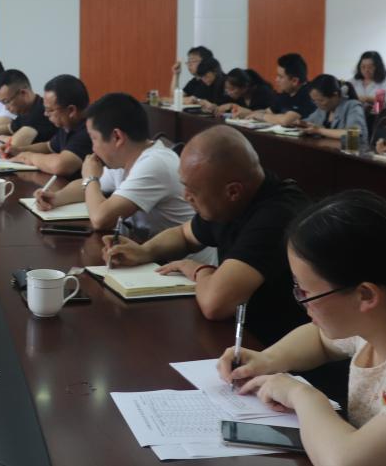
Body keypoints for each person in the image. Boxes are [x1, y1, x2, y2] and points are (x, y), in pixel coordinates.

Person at [217, 191, 386, 466]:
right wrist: (267, 359)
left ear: (366, 295)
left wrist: (301, 395)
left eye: (305, 292)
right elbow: (319, 338)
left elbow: (344, 462)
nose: (301, 301)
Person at [100, 125, 309, 344]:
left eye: (192, 190)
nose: (185, 196)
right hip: (239, 333)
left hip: (275, 347)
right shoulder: (233, 198)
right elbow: (184, 234)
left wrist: (200, 270)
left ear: (233, 191)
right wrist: (144, 251)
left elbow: (215, 304)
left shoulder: (277, 217)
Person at [34, 94, 215, 264]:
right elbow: (86, 188)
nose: (93, 148)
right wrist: (57, 198)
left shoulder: (155, 163)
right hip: (150, 258)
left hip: (186, 271)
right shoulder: (125, 160)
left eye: (94, 139)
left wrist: (90, 177)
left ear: (117, 137)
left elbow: (100, 219)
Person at [5, 74, 92, 178]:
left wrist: (29, 157)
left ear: (71, 110)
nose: (45, 114)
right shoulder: (68, 124)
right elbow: (49, 146)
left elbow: (61, 165)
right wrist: (18, 150)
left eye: (50, 110)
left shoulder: (89, 129)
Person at [235, 53, 315, 126]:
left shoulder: (309, 94)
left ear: (294, 81)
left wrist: (261, 116)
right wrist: (248, 114)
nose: (276, 80)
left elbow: (285, 120)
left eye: (280, 77)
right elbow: (268, 112)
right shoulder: (286, 93)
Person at [0, 69, 57, 152]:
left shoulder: (41, 112)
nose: (6, 108)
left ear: (23, 93)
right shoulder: (25, 110)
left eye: (6, 102)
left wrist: (3, 138)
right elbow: (8, 128)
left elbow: (13, 146)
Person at [301, 74, 368, 147]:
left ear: (335, 95)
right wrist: (300, 123)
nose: (317, 104)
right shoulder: (323, 108)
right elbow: (309, 122)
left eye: (321, 100)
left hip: (351, 151)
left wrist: (320, 131)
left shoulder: (353, 106)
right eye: (314, 101)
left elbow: (354, 134)